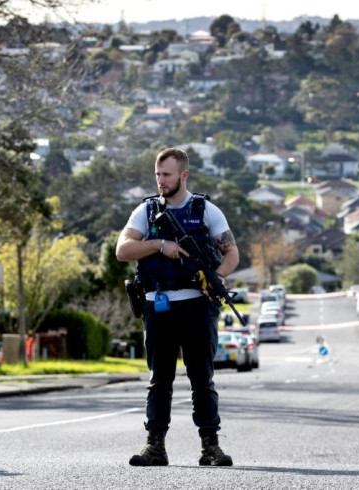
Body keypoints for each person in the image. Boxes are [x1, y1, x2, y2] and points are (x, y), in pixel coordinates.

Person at [116, 147, 239, 467]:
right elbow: (123, 250)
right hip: (159, 306)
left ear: (183, 175)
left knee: (202, 378)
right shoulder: (145, 211)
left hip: (198, 306)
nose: (161, 181)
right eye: (157, 175)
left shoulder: (206, 210)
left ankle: (210, 447)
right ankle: (154, 447)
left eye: (167, 174)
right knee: (160, 379)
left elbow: (231, 253)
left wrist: (216, 277)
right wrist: (159, 245)